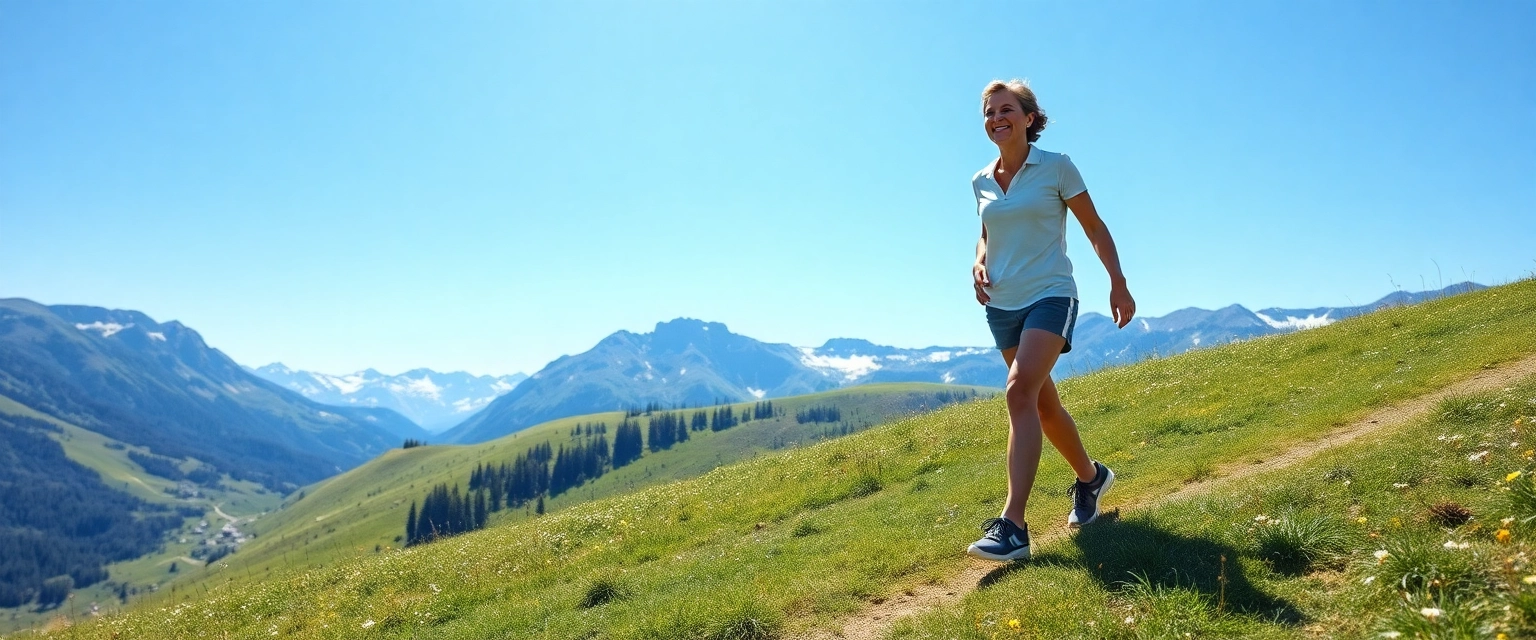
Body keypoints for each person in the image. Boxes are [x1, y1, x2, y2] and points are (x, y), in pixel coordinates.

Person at [964, 79, 1136, 562]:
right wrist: (978, 262)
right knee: (1041, 405)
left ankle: (1013, 526)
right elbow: (985, 233)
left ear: (1029, 118)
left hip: (1050, 295)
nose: (997, 118)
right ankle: (1092, 478)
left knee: (1019, 390)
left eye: (1007, 109)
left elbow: (1094, 226)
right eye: (989, 112)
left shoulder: (1056, 167)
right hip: (1002, 305)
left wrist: (1117, 282)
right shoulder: (979, 180)